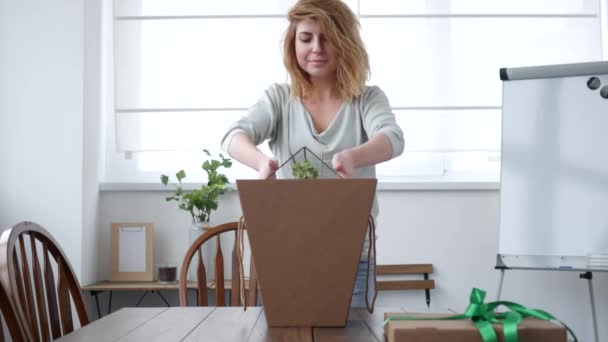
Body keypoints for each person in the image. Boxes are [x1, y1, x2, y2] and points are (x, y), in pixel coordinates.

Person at [221, 0, 404, 307]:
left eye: (327, 38)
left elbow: (392, 138)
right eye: (306, 38)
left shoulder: (367, 99)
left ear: (344, 43)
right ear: (293, 45)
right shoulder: (279, 98)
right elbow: (233, 136)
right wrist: (261, 163)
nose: (316, 47)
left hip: (351, 257)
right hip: (288, 255)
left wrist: (352, 157)